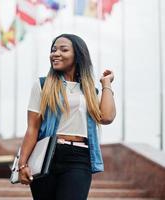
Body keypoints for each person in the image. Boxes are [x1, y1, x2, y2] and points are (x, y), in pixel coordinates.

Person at [18, 33, 116, 200]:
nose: (56, 54)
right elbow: (32, 128)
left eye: (63, 50)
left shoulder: (91, 91)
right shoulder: (43, 85)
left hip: (79, 157)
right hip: (46, 156)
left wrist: (106, 84)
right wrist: (22, 165)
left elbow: (106, 117)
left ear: (77, 55)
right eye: (53, 50)